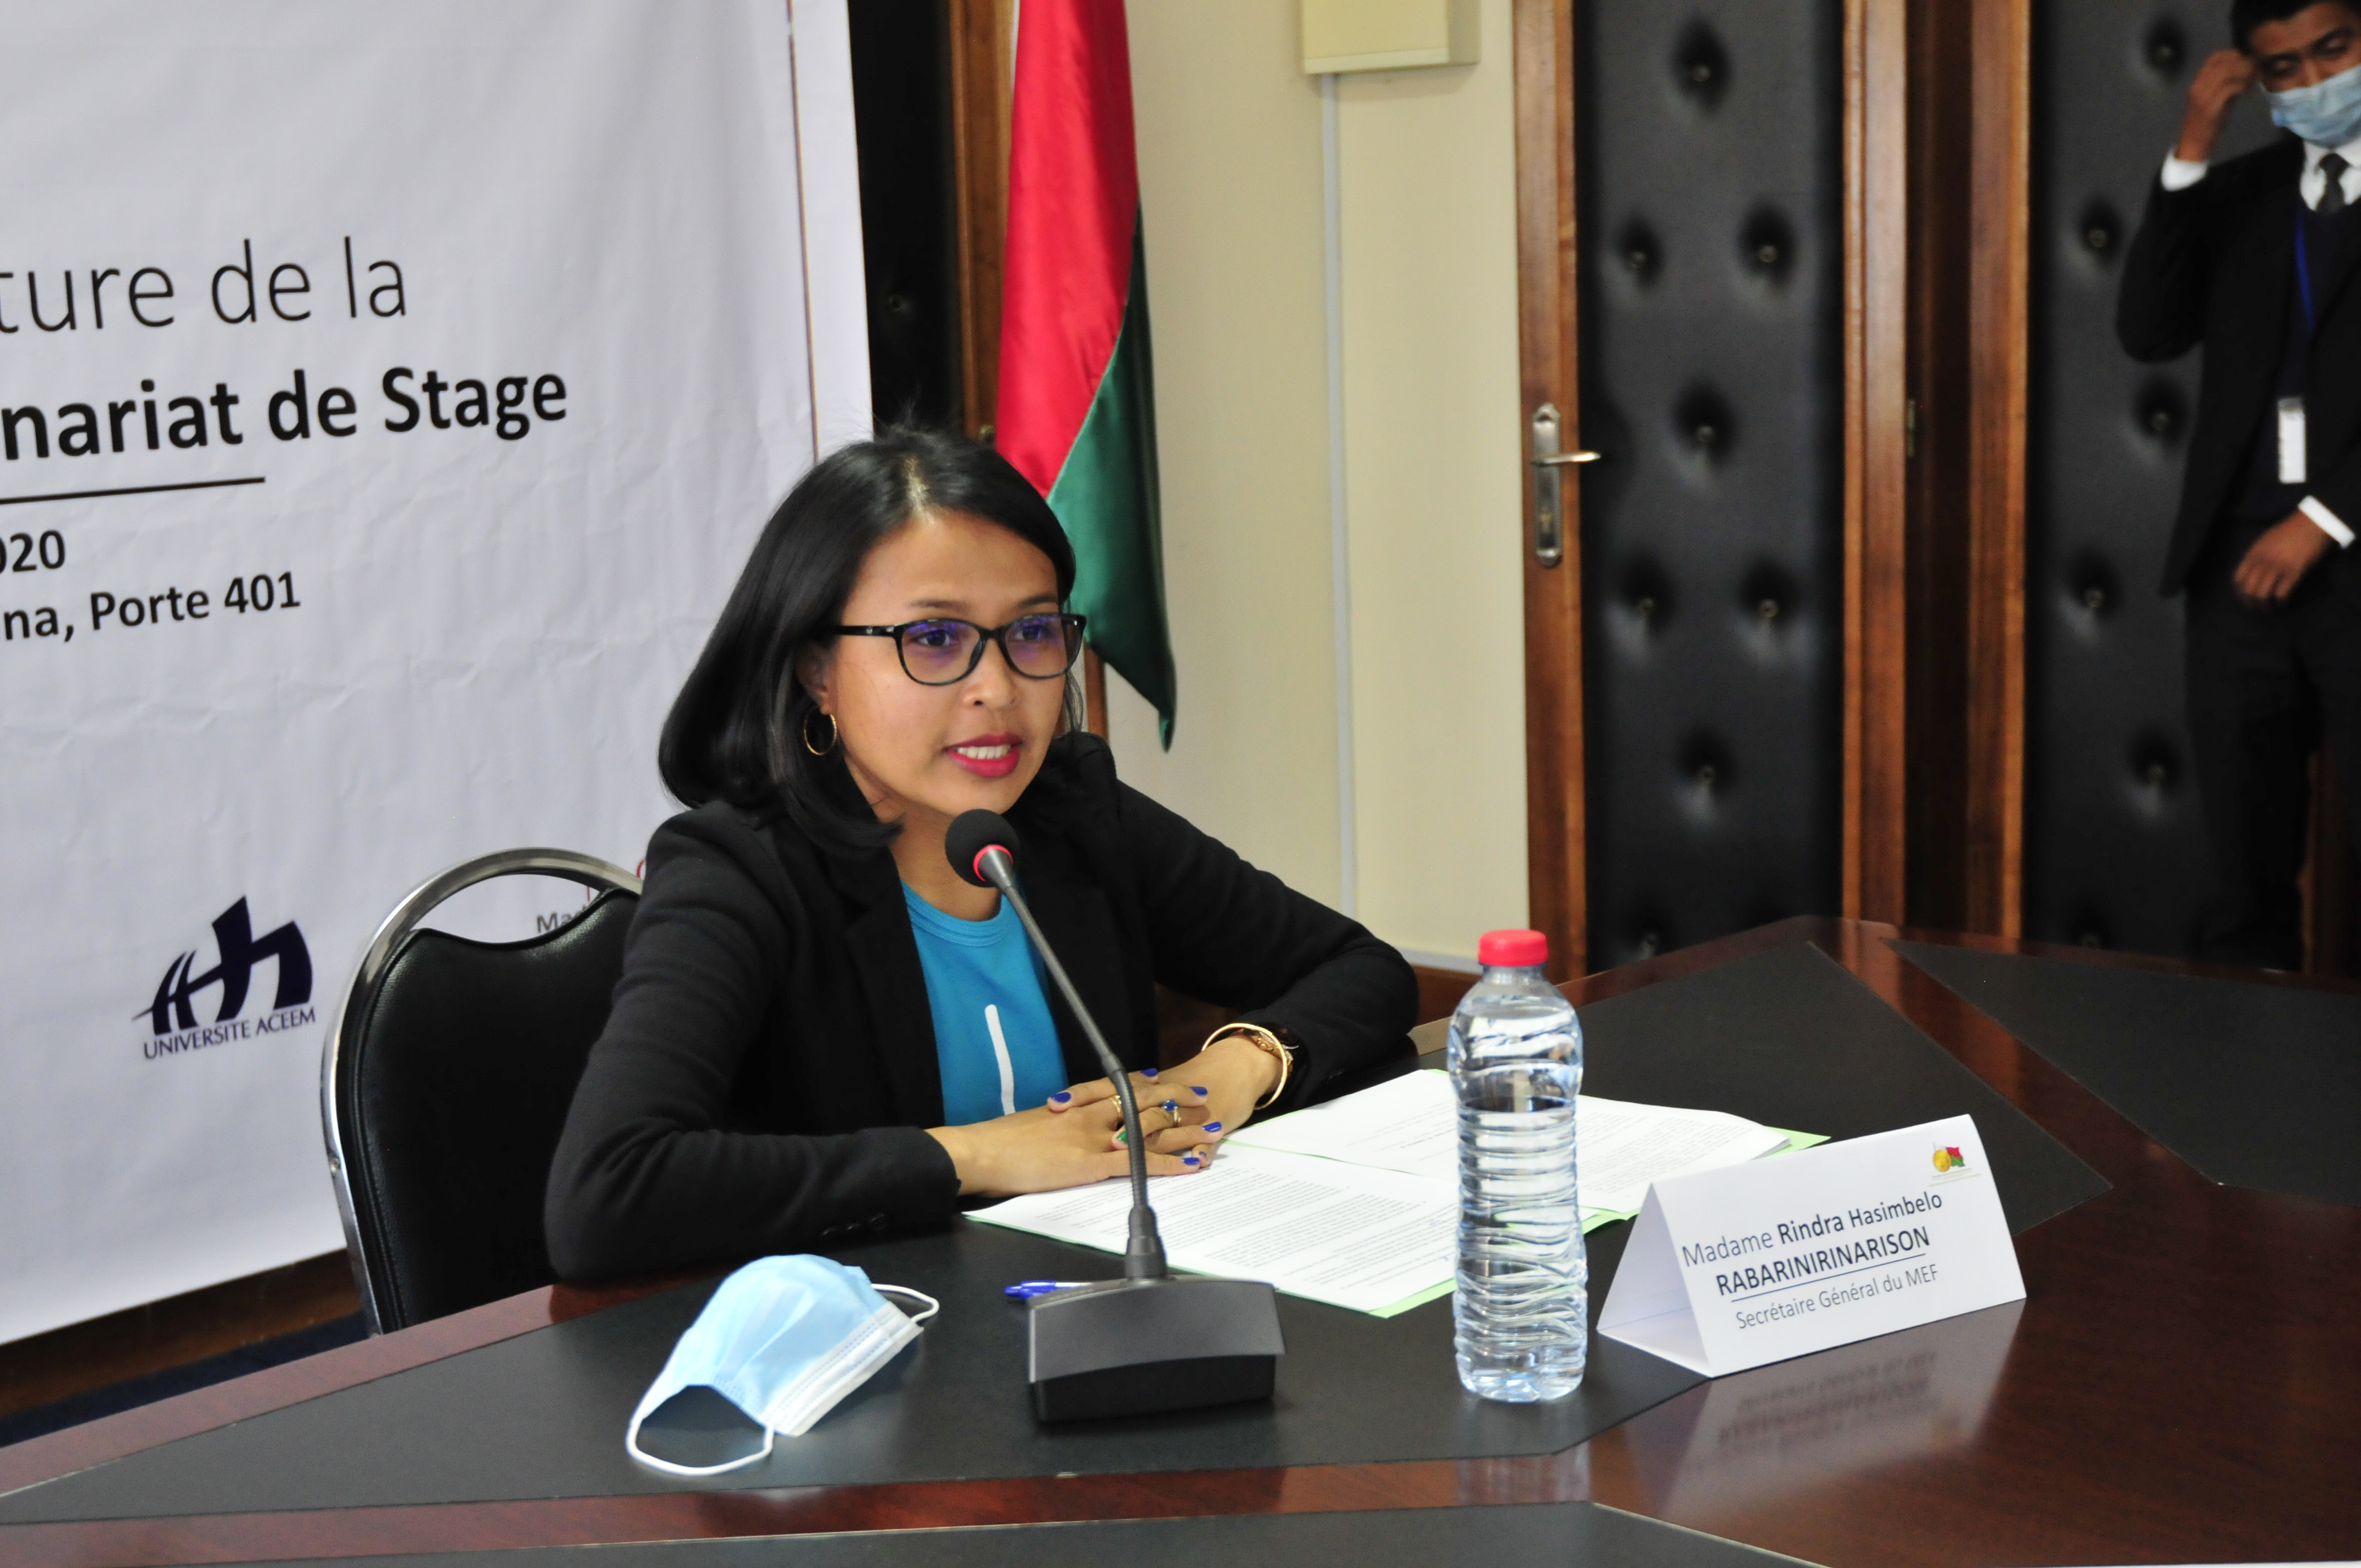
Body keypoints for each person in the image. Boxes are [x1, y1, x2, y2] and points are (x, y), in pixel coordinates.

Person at [543, 428, 1416, 1280]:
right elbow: (608, 1193)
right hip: (872, 1336)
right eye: (934, 639)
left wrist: (1235, 1068)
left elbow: (1361, 968)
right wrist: (975, 1155)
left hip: (1087, 1301)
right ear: (817, 670)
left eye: (1033, 632)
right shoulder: (739, 870)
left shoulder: (1074, 814)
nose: (996, 689)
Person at [2119, 0, 2361, 967]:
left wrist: (2326, 518)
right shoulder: (2242, 191)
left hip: (2344, 556)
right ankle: (2246, 1055)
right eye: (2284, 68)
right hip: (2234, 573)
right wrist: (2192, 148)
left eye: (2334, 51)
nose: (2314, 81)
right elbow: (2149, 331)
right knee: (2243, 879)